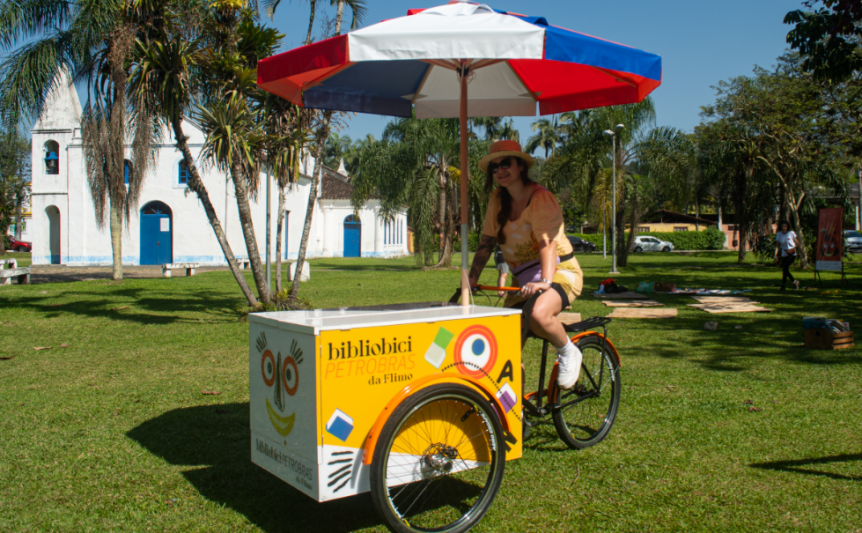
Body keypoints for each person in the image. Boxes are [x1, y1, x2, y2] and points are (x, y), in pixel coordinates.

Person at [467, 140, 584, 389]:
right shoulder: (498, 199)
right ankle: (514, 410)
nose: (500, 171)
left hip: (560, 272)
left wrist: (545, 282)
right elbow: (487, 242)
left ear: (520, 165)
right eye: (494, 167)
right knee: (501, 348)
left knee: (538, 315)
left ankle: (567, 351)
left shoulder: (541, 198)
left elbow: (547, 244)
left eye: (506, 163)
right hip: (523, 281)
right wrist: (471, 278)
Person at [775, 220, 800, 291]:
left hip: (792, 253)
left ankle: (794, 282)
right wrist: (775, 255)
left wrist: (801, 251)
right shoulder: (779, 234)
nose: (784, 228)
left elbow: (797, 242)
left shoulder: (791, 233)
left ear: (787, 227)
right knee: (785, 270)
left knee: (785, 268)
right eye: (782, 226)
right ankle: (784, 285)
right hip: (784, 253)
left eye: (785, 226)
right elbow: (777, 245)